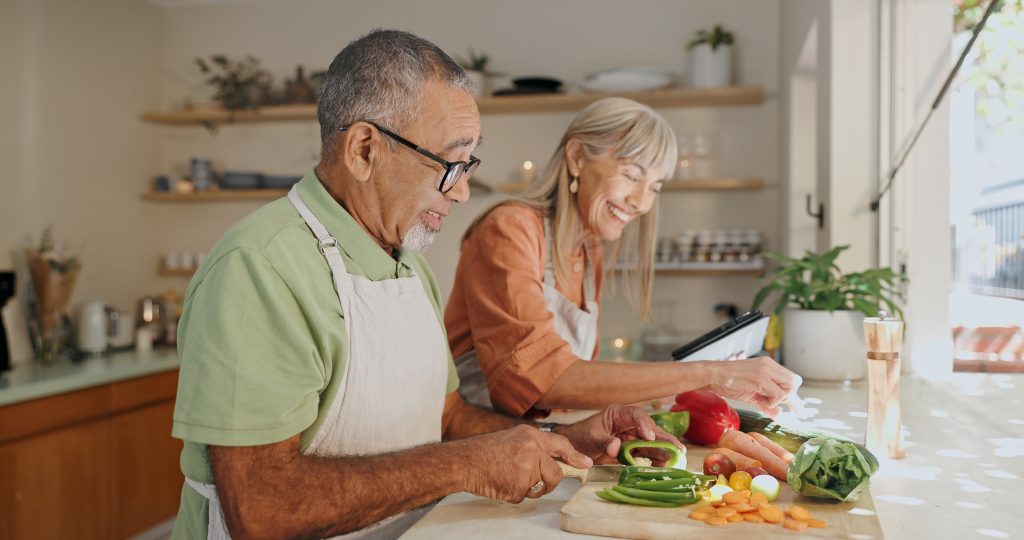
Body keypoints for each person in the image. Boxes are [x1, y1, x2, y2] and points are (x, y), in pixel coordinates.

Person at [170, 30, 681, 540]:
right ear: (364, 149)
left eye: (468, 165)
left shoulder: (409, 266)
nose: (460, 192)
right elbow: (263, 509)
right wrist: (464, 465)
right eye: (449, 164)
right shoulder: (258, 269)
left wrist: (560, 438)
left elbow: (449, 416)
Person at [445, 97, 801, 419]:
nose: (642, 203)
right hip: (479, 452)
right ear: (577, 157)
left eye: (655, 188)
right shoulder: (508, 229)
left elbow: (575, 384)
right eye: (632, 176)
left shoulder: (589, 247)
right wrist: (711, 372)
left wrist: (691, 386)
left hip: (536, 445)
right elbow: (544, 379)